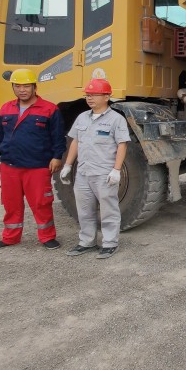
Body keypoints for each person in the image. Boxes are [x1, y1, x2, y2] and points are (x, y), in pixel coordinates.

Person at [0, 68, 66, 250]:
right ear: (13, 87)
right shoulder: (6, 108)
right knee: (11, 204)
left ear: (34, 87)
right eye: (17, 86)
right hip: (10, 165)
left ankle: (47, 237)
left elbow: (58, 137)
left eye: (26, 86)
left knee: (41, 203)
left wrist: (57, 157)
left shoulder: (49, 109)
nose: (22, 90)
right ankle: (10, 237)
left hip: (37, 166)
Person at [61, 78, 130, 259]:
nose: (89, 98)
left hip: (104, 174)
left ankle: (110, 243)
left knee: (108, 210)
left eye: (94, 95)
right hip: (83, 173)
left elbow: (122, 145)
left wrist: (116, 170)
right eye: (87, 95)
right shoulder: (82, 117)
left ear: (106, 97)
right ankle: (87, 242)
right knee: (84, 210)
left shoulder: (116, 119)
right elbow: (75, 141)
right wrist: (68, 165)